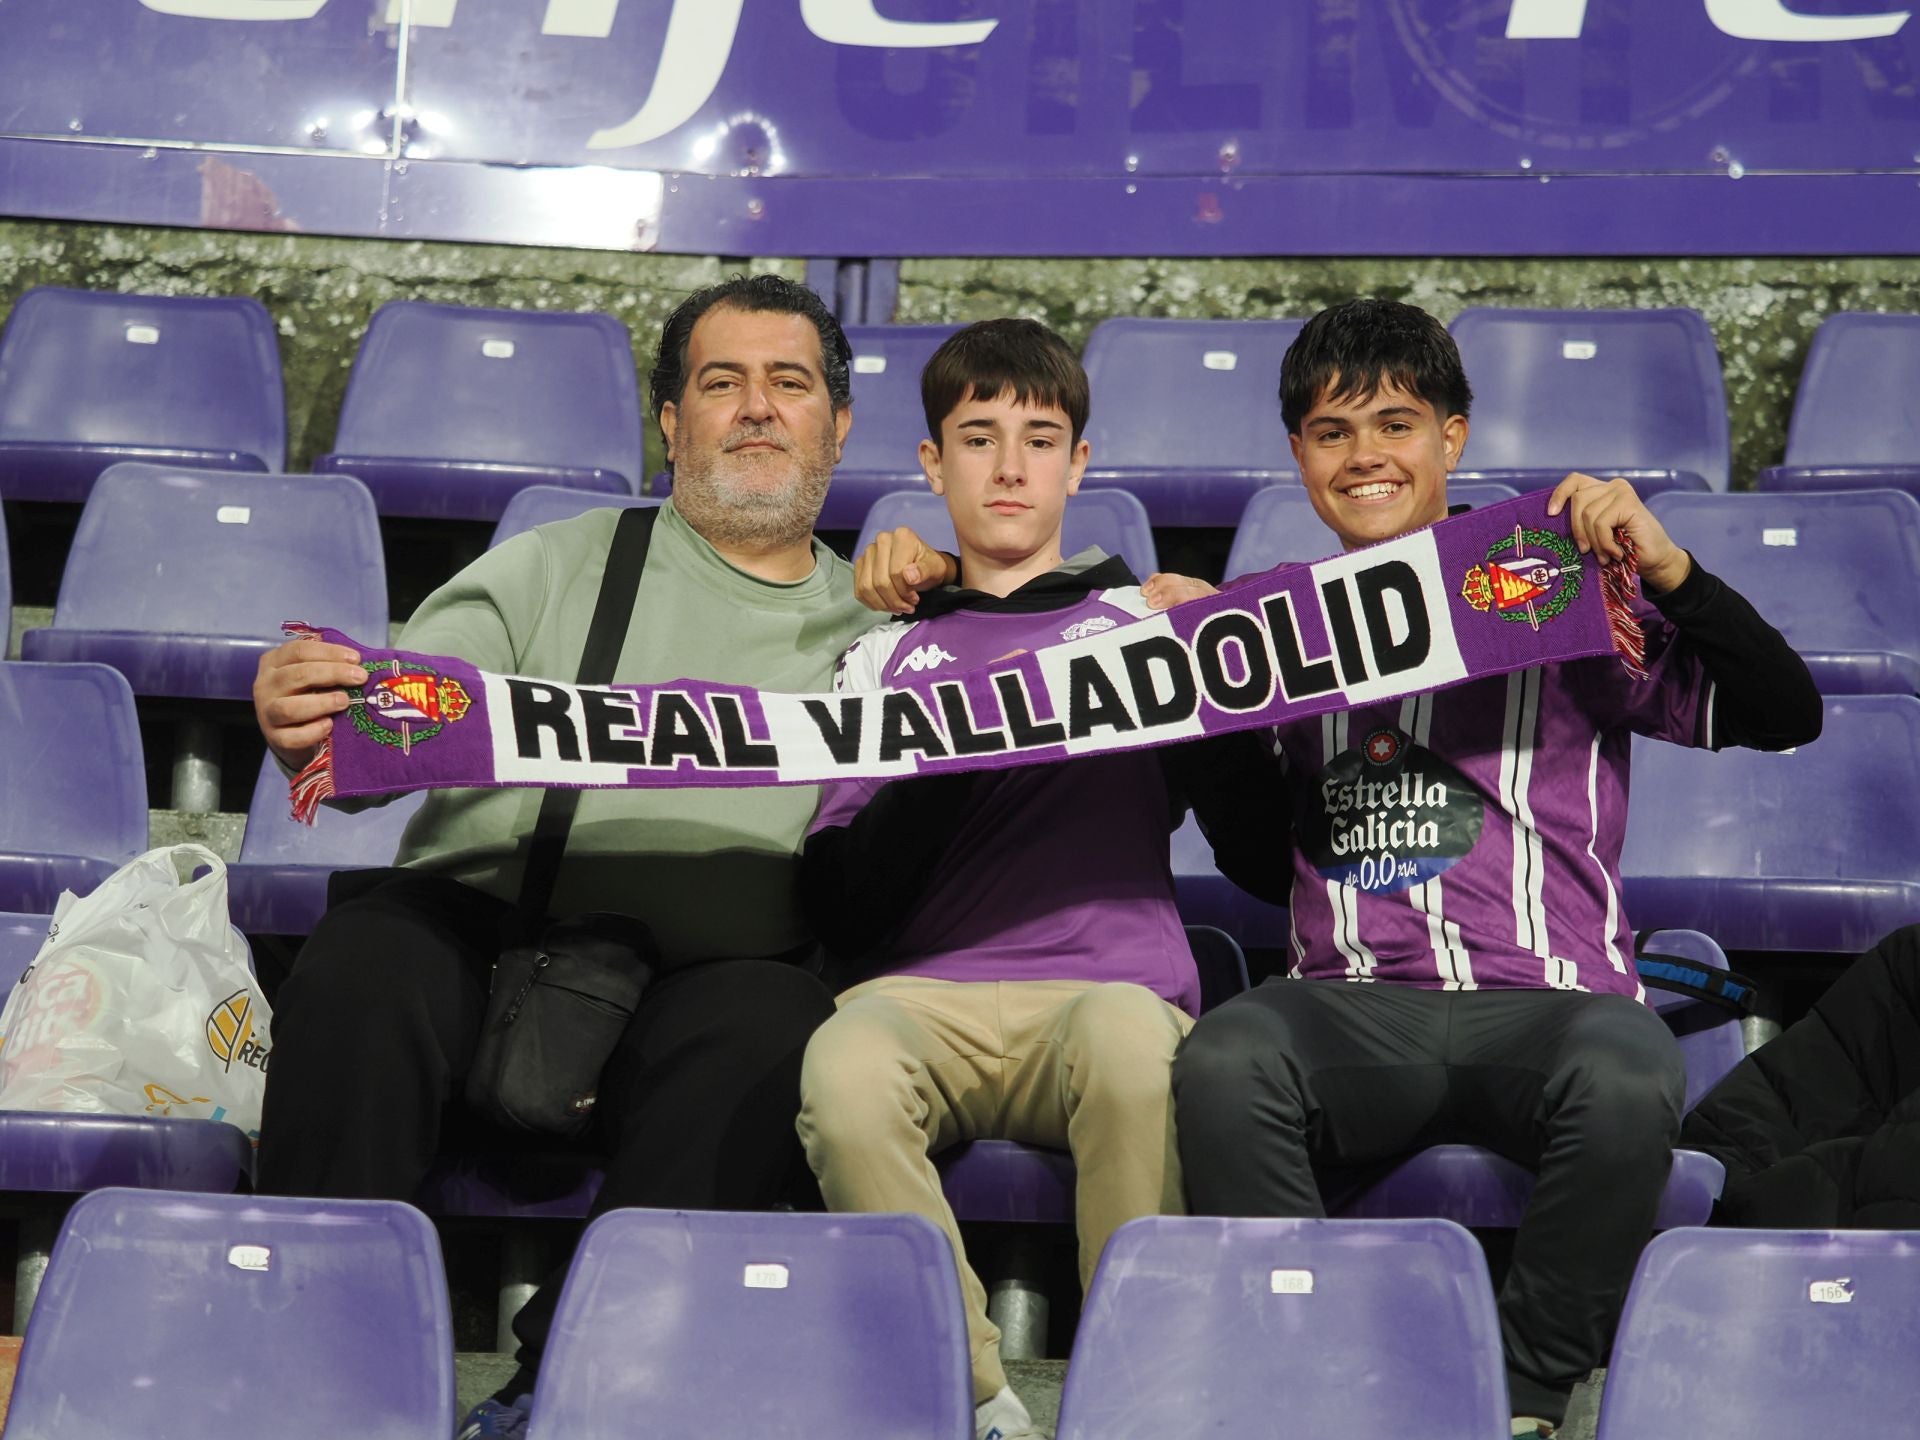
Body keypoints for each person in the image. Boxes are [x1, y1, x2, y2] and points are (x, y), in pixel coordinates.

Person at [252, 274, 898, 1439]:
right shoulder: (559, 563)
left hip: (710, 983)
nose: (756, 407)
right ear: (671, 422)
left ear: (838, 425)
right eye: (721, 383)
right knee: (360, 963)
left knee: (776, 1022)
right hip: (483, 936)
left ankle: (565, 1393)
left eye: (789, 384)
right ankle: (313, 1375)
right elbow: (397, 716)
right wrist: (317, 704)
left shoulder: (888, 635)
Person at [1166, 298, 1823, 1437]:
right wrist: (1211, 712)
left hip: (1550, 1009)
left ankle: (1514, 1399)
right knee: (1226, 1055)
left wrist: (1671, 572)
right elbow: (1252, 858)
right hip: (1350, 1009)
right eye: (1333, 432)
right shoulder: (1272, 623)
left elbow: (1783, 711)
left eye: (1396, 423)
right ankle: (1314, 1383)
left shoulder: (1554, 579)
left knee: (1627, 1074)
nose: (1365, 454)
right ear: (1298, 457)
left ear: (1452, 439)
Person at [795, 318, 1269, 1440]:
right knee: (840, 1064)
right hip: (923, 1001)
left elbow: (1260, 854)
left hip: (1108, 993)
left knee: (1130, 1050)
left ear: (1079, 465)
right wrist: (975, 734)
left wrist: (1222, 688)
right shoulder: (884, 649)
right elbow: (843, 903)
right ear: (931, 464)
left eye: (1040, 438)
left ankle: (1136, 1396)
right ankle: (981, 1402)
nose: (1009, 467)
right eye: (978, 437)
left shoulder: (1148, 627)